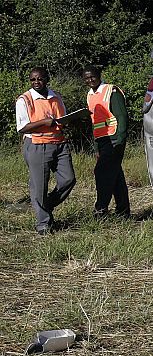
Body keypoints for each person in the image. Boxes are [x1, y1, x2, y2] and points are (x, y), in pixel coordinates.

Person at [16, 67, 76, 235]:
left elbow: (61, 119)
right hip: (37, 145)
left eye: (40, 79)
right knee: (39, 187)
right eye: (33, 80)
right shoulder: (25, 99)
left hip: (59, 143)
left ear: (47, 79)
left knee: (68, 179)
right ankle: (43, 224)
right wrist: (43, 122)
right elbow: (21, 128)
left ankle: (44, 206)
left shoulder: (56, 96)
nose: (36, 82)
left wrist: (68, 121)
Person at [84, 66, 130, 218]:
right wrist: (96, 147)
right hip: (102, 139)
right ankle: (123, 212)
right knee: (115, 174)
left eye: (92, 76)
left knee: (102, 172)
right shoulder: (90, 95)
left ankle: (100, 209)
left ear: (99, 75)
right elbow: (94, 122)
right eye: (86, 78)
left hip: (114, 138)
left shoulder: (112, 91)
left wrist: (120, 140)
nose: (90, 80)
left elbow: (122, 116)